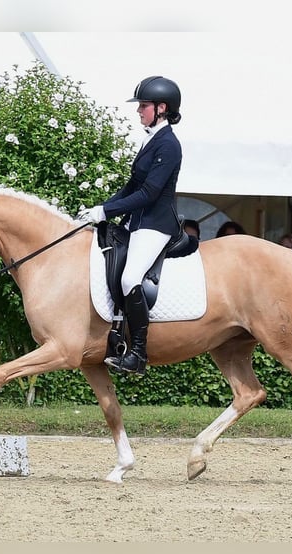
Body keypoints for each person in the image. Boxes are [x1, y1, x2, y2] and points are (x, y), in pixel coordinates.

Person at [78, 75, 183, 376]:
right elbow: (130, 187)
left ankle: (137, 353)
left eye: (144, 106)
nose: (139, 111)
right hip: (136, 222)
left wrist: (106, 210)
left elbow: (149, 193)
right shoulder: (151, 139)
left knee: (129, 279)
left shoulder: (169, 144)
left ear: (162, 108)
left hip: (155, 224)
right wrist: (100, 210)